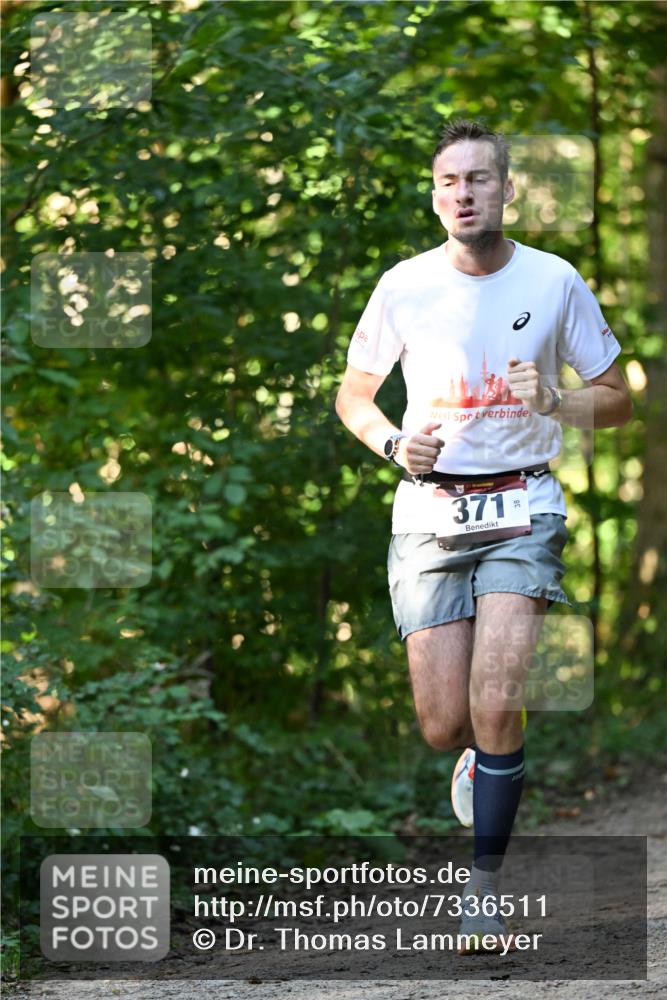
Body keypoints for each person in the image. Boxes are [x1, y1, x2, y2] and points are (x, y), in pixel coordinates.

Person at [335, 119, 632, 953]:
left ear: (508, 190)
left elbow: (615, 397)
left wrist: (555, 403)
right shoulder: (403, 285)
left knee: (496, 702)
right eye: (446, 182)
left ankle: (481, 893)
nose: (461, 194)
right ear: (435, 197)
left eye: (477, 179)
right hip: (429, 515)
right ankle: (473, 759)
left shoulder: (554, 279)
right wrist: (393, 443)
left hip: (522, 508)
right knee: (442, 723)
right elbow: (353, 397)